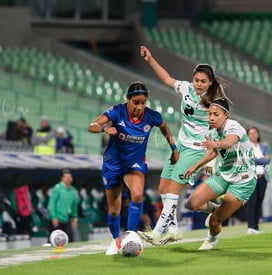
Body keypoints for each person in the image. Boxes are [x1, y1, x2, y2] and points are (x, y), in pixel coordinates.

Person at [138, 46, 228, 245]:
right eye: (196, 80)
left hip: (196, 150)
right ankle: (174, 229)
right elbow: (167, 78)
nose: (198, 84)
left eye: (203, 81)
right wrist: (150, 59)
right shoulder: (186, 88)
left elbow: (222, 127)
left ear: (210, 83)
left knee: (172, 190)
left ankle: (157, 231)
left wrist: (213, 154)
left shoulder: (214, 102)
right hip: (179, 146)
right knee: (163, 187)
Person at [87, 81, 178, 255]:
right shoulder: (117, 111)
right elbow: (92, 126)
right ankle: (115, 240)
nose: (139, 106)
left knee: (137, 194)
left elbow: (164, 127)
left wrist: (173, 149)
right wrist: (105, 128)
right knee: (114, 208)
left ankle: (130, 234)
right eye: (135, 102)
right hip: (113, 164)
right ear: (128, 99)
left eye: (143, 103)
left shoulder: (151, 116)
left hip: (134, 163)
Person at [184, 98, 257, 250]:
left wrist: (215, 144)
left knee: (214, 221)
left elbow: (229, 142)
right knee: (192, 203)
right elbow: (213, 153)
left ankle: (211, 239)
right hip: (223, 175)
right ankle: (215, 208)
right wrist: (196, 166)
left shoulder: (233, 126)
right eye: (210, 114)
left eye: (215, 114)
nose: (211, 117)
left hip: (243, 180)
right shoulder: (211, 132)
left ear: (226, 115)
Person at [245, 127, 271, 234]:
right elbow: (248, 160)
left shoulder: (264, 146)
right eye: (251, 133)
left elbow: (268, 160)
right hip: (251, 177)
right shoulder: (246, 146)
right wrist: (261, 160)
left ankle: (256, 226)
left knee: (259, 201)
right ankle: (250, 227)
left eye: (255, 133)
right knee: (252, 202)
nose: (253, 135)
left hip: (262, 177)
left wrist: (256, 160)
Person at [48, 169, 79, 242]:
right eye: (66, 177)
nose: (68, 179)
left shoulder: (73, 190)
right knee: (54, 239)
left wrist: (75, 217)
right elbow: (52, 204)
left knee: (70, 239)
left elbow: (74, 205)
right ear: (62, 178)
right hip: (57, 218)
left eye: (70, 177)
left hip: (67, 217)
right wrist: (54, 217)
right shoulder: (57, 188)